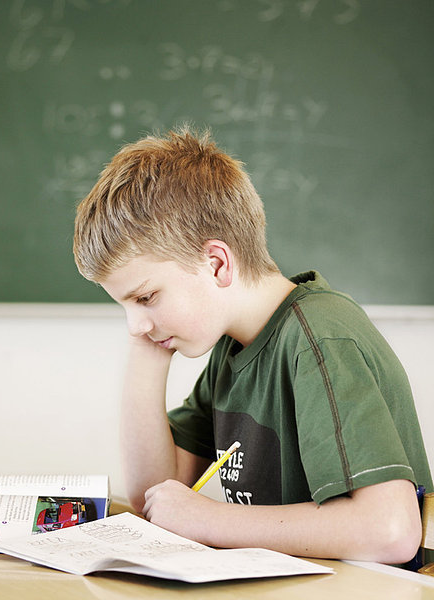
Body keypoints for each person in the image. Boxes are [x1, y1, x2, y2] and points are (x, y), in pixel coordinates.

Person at [73, 127, 432, 563]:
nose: (134, 323)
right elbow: (158, 496)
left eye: (146, 296)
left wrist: (209, 520)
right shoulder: (233, 348)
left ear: (217, 263)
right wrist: (148, 344)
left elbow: (390, 530)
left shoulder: (317, 339)